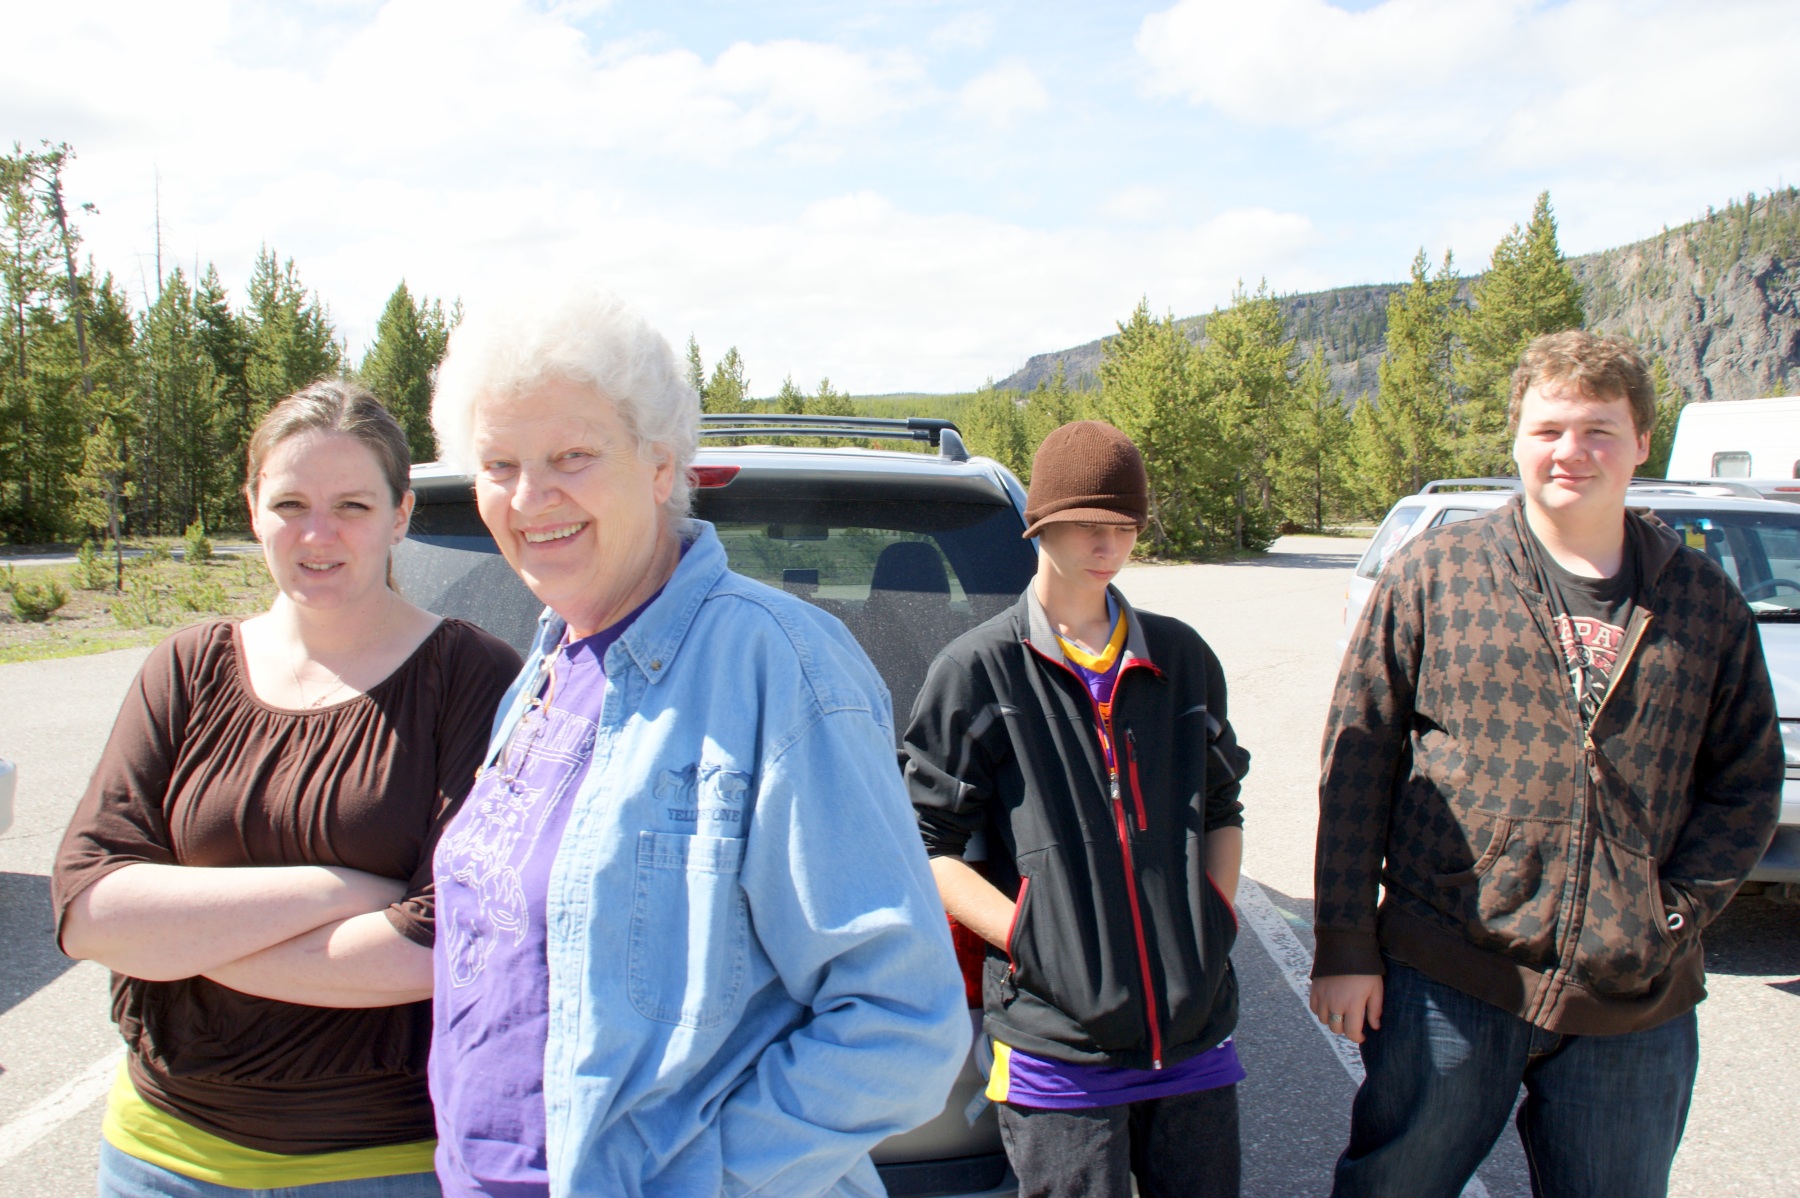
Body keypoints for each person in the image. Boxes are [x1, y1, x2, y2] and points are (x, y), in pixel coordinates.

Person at [423, 284, 969, 1197]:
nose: (529, 497)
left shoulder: (778, 664)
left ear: (659, 465)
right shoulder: (550, 664)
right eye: (498, 464)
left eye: (572, 455)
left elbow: (902, 1023)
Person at [1311, 330, 1783, 1198]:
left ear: (1642, 442)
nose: (1572, 451)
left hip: (1634, 996)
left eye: (1600, 430)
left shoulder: (1703, 601)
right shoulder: (1435, 576)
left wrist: (1671, 913)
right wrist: (1345, 944)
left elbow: (1747, 782)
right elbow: (1357, 763)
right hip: (1449, 970)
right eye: (1549, 429)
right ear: (1518, 439)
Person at [53, 381, 522, 1197]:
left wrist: (184, 944)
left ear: (400, 515)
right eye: (291, 503)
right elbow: (89, 909)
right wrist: (339, 888)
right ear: (252, 509)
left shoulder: (469, 677)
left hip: (380, 1165)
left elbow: (442, 945)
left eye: (352, 506)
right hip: (157, 1156)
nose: (317, 534)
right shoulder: (188, 667)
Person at [905, 420, 1251, 1198]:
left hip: (1192, 1041)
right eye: (1089, 522)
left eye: (1125, 525)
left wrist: (1214, 918)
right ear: (1040, 524)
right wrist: (1032, 940)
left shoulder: (1181, 657)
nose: (1108, 542)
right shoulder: (978, 670)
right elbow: (928, 845)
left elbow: (1222, 803)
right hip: (1057, 1050)